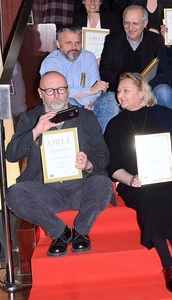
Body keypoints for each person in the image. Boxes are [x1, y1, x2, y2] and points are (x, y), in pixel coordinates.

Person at [104, 73, 172, 294]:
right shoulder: (114, 125)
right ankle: (169, 266)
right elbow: (111, 165)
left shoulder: (162, 114)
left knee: (169, 193)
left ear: (141, 93)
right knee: (149, 195)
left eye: (126, 91)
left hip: (170, 176)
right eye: (119, 91)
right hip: (136, 183)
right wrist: (129, 179)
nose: (120, 95)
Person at [6, 71, 113, 257]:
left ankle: (81, 230)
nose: (56, 95)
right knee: (14, 193)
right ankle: (59, 232)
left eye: (61, 89)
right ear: (40, 93)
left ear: (68, 90)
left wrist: (88, 163)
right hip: (47, 192)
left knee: (103, 183)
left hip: (80, 188)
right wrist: (36, 131)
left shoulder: (86, 117)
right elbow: (11, 155)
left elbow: (103, 154)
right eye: (50, 90)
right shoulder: (30, 119)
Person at [99, 5, 172, 126]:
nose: (130, 28)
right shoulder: (112, 40)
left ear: (145, 23)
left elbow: (164, 71)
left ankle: (170, 131)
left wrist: (144, 89)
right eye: (127, 23)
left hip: (148, 88)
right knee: (110, 102)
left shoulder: (156, 40)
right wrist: (126, 87)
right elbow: (105, 71)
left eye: (135, 23)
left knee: (164, 91)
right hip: (121, 89)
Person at [39, 25, 109, 114]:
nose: (74, 47)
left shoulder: (89, 57)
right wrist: (90, 91)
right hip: (64, 106)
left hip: (91, 105)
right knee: (70, 102)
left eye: (77, 42)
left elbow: (97, 89)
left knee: (110, 100)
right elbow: (57, 93)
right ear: (58, 44)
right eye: (69, 43)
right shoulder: (51, 62)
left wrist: (88, 105)